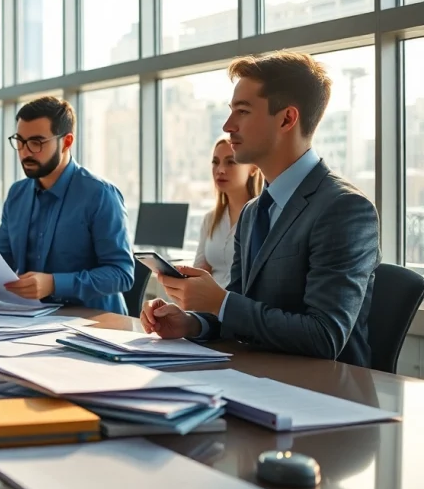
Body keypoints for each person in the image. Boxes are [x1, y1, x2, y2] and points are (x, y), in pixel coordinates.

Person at [142, 51, 379, 368]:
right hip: (257, 378)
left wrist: (221, 302)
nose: (228, 126)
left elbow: (324, 337)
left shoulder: (345, 209)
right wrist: (192, 322)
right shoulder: (254, 212)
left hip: (323, 396)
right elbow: (241, 309)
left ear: (286, 119)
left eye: (242, 111)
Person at [0, 96, 133, 313]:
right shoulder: (17, 194)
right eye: (20, 141)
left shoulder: (100, 194)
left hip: (94, 324)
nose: (25, 152)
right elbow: (2, 262)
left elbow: (121, 274)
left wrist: (54, 283)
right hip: (30, 319)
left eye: (36, 143)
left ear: (67, 142)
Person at [193, 136, 263, 287]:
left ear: (253, 168)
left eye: (230, 162)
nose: (220, 170)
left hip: (239, 307)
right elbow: (198, 273)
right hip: (207, 307)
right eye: (215, 162)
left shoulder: (263, 218)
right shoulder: (210, 219)